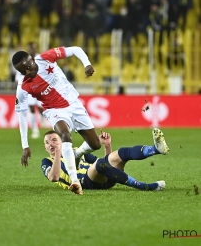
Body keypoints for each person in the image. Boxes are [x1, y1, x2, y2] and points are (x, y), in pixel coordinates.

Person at [12, 46, 101, 195]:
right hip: (54, 111)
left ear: (32, 60)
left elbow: (75, 49)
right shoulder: (23, 86)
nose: (27, 72)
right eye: (23, 71)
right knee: (65, 135)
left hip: (74, 104)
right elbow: (21, 114)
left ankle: (77, 154)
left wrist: (87, 63)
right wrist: (25, 145)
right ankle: (75, 180)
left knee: (95, 144)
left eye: (28, 67)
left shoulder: (46, 58)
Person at [41, 128, 170, 193]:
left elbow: (105, 164)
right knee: (99, 164)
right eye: (47, 142)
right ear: (45, 147)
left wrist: (107, 146)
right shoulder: (47, 162)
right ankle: (144, 186)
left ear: (63, 141)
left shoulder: (76, 150)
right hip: (86, 184)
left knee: (122, 153)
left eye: (54, 140)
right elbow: (53, 177)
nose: (51, 144)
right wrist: (58, 152)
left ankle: (156, 149)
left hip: (103, 178)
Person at [15, 42, 44, 139]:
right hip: (30, 88)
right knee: (31, 108)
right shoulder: (23, 61)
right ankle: (35, 130)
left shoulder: (40, 58)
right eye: (30, 48)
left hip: (41, 87)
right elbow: (18, 76)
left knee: (41, 109)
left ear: (36, 49)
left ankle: (44, 120)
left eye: (33, 48)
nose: (32, 50)